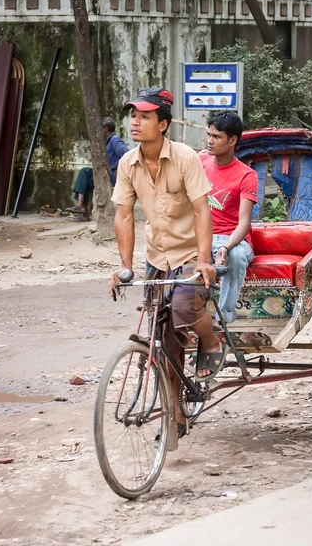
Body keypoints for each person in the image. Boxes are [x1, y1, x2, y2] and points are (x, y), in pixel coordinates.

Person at [109, 87, 227, 439]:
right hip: (157, 255)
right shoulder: (127, 164)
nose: (135, 121)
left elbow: (201, 210)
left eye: (144, 116)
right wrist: (126, 265)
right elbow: (124, 215)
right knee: (162, 338)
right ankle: (175, 413)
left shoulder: (186, 158)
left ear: (162, 124)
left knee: (184, 306)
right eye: (133, 115)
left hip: (189, 251)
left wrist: (204, 260)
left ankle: (211, 340)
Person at [199, 111, 258, 323]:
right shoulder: (201, 161)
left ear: (232, 140)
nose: (210, 141)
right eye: (209, 135)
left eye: (216, 137)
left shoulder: (246, 175)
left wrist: (226, 247)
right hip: (203, 236)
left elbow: (244, 222)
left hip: (234, 239)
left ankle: (224, 319)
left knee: (235, 257)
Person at [67, 117, 128, 217]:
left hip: (113, 175)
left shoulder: (115, 140)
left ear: (106, 128)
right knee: (86, 176)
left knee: (85, 172)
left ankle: (80, 206)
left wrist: (120, 170)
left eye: (101, 128)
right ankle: (81, 208)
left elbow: (127, 154)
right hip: (106, 173)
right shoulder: (106, 142)